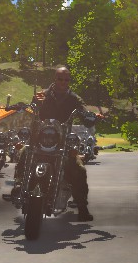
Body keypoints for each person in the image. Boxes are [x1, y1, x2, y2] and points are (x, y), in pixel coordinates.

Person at [29, 66, 93, 220]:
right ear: (54, 79)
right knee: (24, 153)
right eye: (60, 79)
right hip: (41, 139)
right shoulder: (43, 95)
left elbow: (84, 111)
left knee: (78, 169)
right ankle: (19, 186)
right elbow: (33, 109)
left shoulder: (74, 98)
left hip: (63, 141)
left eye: (66, 80)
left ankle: (82, 207)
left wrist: (91, 117)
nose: (63, 82)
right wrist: (35, 103)